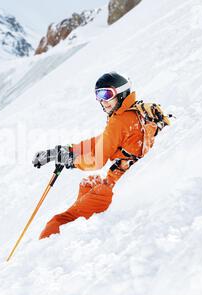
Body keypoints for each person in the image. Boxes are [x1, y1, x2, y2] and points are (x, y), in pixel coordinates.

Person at [32, 72, 166, 239]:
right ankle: (84, 223)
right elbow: (103, 141)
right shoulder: (131, 112)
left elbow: (97, 161)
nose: (102, 100)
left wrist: (72, 160)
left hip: (114, 186)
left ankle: (53, 245)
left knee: (57, 222)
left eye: (107, 94)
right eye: (98, 95)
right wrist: (70, 150)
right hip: (121, 177)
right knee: (88, 183)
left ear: (121, 92)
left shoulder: (119, 121)